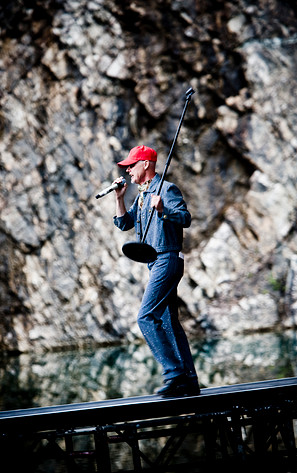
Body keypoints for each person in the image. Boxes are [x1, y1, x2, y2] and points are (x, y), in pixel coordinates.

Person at [113, 145, 200, 398]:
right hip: (156, 263)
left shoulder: (166, 189)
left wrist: (164, 209)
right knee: (168, 321)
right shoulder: (142, 194)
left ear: (146, 165)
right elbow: (124, 223)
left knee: (145, 317)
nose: (127, 169)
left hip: (168, 258)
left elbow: (185, 218)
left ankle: (174, 374)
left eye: (131, 165)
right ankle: (190, 382)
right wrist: (119, 198)